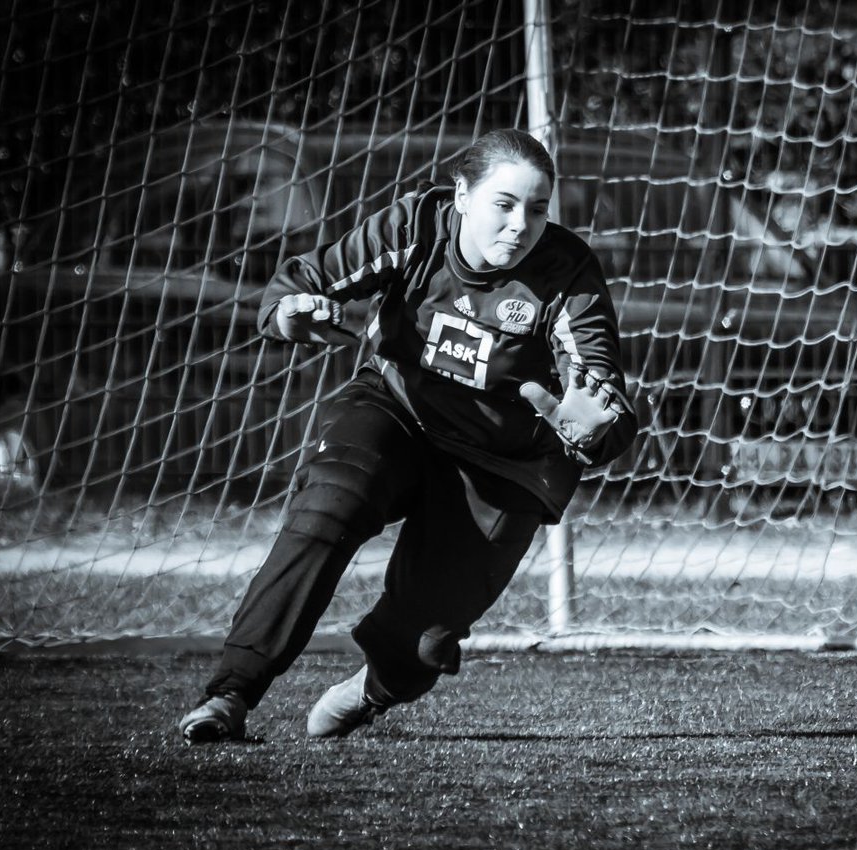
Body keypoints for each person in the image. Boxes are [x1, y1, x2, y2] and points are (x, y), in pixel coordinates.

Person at [178, 128, 636, 742]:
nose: (520, 224)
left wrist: (592, 429)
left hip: (505, 464)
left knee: (424, 642)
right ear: (462, 195)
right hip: (397, 409)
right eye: (504, 203)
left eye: (537, 208)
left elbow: (605, 405)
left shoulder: (569, 273)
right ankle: (230, 695)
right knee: (329, 506)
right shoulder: (414, 227)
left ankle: (370, 688)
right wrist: (290, 314)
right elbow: (298, 285)